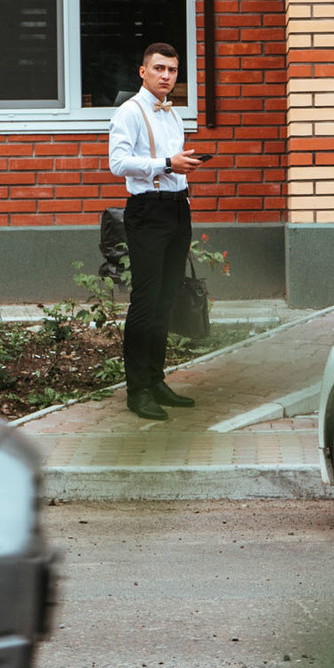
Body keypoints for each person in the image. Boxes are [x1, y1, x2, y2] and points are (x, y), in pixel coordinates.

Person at [107, 43, 203, 421]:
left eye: (173, 70)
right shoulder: (129, 112)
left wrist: (183, 165)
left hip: (178, 210)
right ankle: (137, 390)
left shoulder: (173, 114)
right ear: (142, 72)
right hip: (148, 213)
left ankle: (156, 379)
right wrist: (166, 163)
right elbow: (118, 163)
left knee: (167, 299)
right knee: (146, 303)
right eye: (160, 68)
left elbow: (171, 163)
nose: (167, 76)